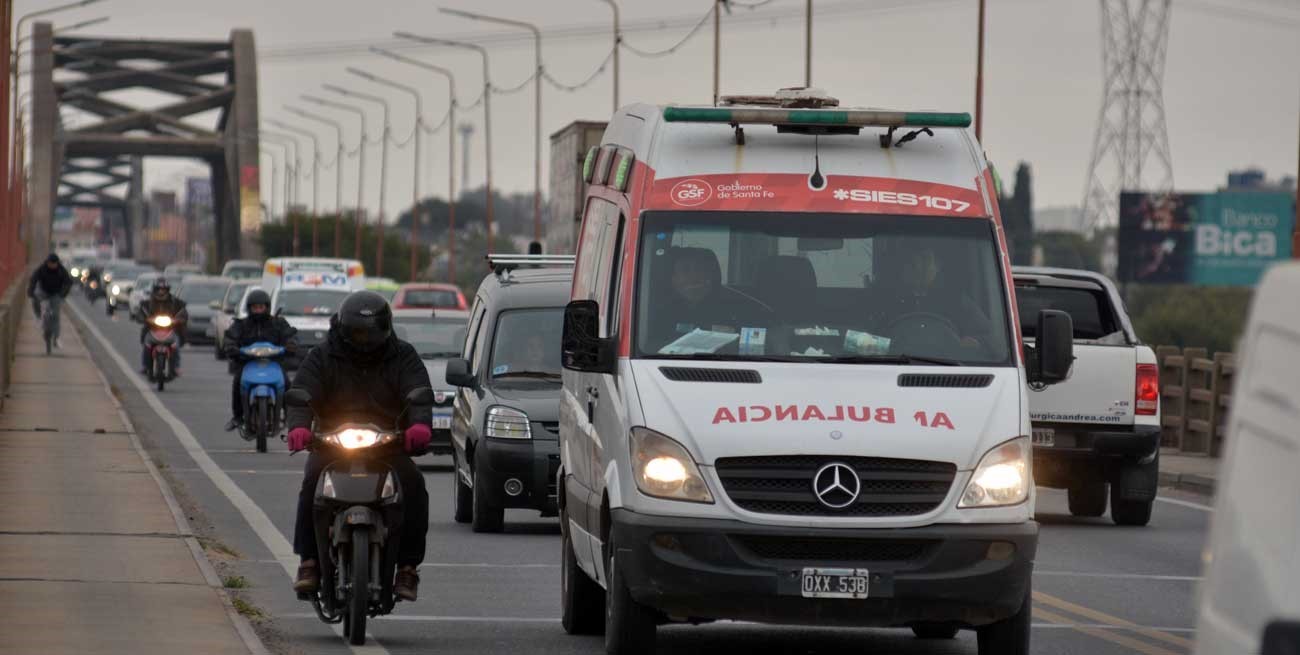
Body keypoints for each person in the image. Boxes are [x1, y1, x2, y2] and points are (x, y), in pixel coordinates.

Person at [285, 290, 433, 601]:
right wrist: (299, 426)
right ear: (342, 328)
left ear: (386, 329)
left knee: (414, 485)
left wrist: (419, 425)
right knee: (312, 482)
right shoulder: (321, 356)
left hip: (387, 445)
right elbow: (302, 391)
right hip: (330, 444)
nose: (364, 340)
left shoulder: (403, 355)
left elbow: (418, 389)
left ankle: (407, 567)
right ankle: (309, 562)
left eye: (371, 333)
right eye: (356, 332)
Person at [650, 247, 769, 351]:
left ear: (711, 276)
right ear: (673, 278)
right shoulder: (657, 312)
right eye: (685, 270)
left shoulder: (741, 308)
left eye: (700, 269)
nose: (694, 277)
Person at [222, 289, 298, 432]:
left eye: (261, 307)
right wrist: (231, 347)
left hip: (274, 363)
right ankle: (237, 417)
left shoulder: (278, 323)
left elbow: (290, 335)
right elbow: (230, 337)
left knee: (287, 383)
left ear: (267, 307)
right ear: (249, 308)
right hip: (247, 363)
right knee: (237, 382)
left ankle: (289, 416)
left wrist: (291, 344)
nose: (258, 310)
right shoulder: (241, 324)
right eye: (254, 307)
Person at [138, 277, 188, 374]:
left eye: (163, 290)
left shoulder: (175, 302)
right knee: (146, 344)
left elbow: (183, 313)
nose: (161, 292)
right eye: (159, 289)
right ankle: (145, 366)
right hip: (152, 330)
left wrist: (179, 320)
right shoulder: (147, 303)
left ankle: (176, 367)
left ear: (167, 290)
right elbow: (140, 314)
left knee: (176, 345)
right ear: (155, 290)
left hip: (170, 330)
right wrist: (145, 318)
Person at [28, 253, 73, 346]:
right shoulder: (42, 268)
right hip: (43, 291)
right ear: (47, 263)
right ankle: (38, 316)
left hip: (56, 293)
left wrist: (63, 294)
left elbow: (68, 282)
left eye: (54, 264)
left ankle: (56, 338)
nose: (52, 266)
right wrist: (31, 291)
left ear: (57, 263)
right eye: (50, 263)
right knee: (35, 299)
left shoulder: (61, 270)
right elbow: (33, 279)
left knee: (56, 316)